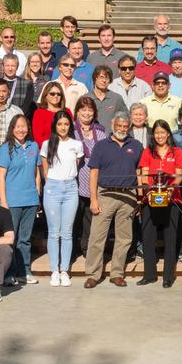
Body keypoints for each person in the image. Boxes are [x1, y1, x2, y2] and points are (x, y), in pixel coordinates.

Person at [84, 112, 144, 288]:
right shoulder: (101, 146)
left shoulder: (136, 145)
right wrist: (93, 199)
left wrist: (139, 198)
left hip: (128, 196)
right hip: (106, 195)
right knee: (97, 236)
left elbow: (139, 172)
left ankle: (117, 273)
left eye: (125, 126)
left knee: (124, 238)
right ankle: (93, 274)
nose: (122, 129)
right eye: (119, 126)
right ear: (112, 125)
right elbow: (93, 174)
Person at [137, 120, 182, 287]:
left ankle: (168, 277)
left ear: (168, 134)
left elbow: (179, 175)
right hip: (150, 198)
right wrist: (147, 190)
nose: (160, 136)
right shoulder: (147, 152)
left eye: (163, 132)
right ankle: (149, 275)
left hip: (172, 199)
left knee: (170, 237)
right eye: (157, 133)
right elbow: (143, 174)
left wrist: (171, 188)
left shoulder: (177, 151)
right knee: (148, 237)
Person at [0, 114, 40, 286]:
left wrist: (37, 195)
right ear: (12, 129)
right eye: (17, 126)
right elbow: (1, 177)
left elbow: (37, 174)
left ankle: (25, 271)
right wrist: (3, 202)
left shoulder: (33, 146)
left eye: (24, 126)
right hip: (12, 201)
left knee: (25, 239)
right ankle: (8, 273)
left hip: (30, 200)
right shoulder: (6, 148)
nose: (21, 130)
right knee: (10, 239)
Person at [40, 110, 85, 286]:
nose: (63, 127)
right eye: (59, 124)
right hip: (52, 188)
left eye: (66, 124)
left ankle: (64, 270)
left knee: (67, 232)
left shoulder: (77, 144)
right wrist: (51, 182)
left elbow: (77, 165)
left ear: (70, 125)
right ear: (55, 126)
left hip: (70, 189)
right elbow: (45, 169)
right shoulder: (47, 144)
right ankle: (54, 270)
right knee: (54, 231)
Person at [73, 96, 106, 257]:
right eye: (83, 109)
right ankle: (72, 250)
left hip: (94, 183)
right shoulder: (71, 131)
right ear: (77, 112)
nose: (86, 113)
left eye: (90, 109)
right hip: (75, 182)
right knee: (74, 219)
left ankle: (87, 250)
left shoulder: (100, 132)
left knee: (90, 219)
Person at [88, 66, 128, 130]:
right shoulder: (86, 98)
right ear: (95, 78)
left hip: (111, 138)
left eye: (107, 78)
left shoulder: (116, 98)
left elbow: (126, 118)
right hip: (92, 137)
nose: (104, 80)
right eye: (101, 77)